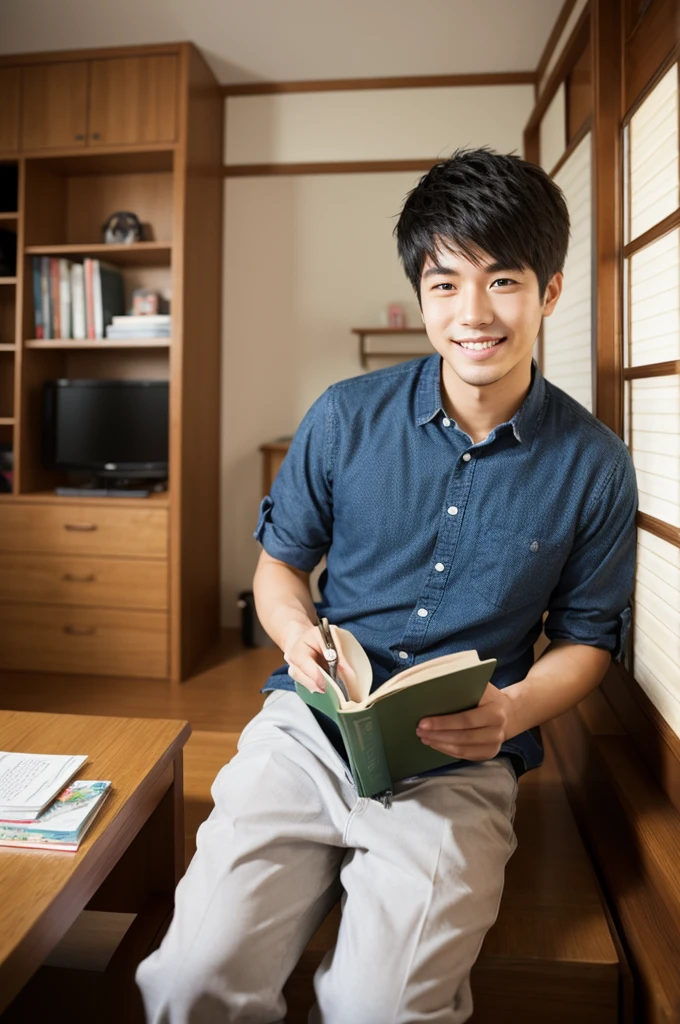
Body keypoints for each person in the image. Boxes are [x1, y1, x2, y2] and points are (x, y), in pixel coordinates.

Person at [136, 147, 637, 1023]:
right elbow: (281, 565)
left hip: (463, 754)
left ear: (549, 291)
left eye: (503, 282)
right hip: (313, 721)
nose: (473, 314)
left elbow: (590, 639)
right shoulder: (343, 415)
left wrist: (511, 714)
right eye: (445, 285)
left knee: (384, 1005)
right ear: (420, 297)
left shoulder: (595, 465)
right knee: (191, 978)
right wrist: (297, 639)